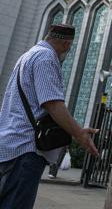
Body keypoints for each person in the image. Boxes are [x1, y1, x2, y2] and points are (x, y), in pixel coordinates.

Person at [0, 24, 99, 209]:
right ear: (66, 44)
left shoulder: (28, 55)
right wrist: (79, 134)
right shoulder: (46, 58)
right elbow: (53, 104)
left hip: (8, 144)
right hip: (25, 149)